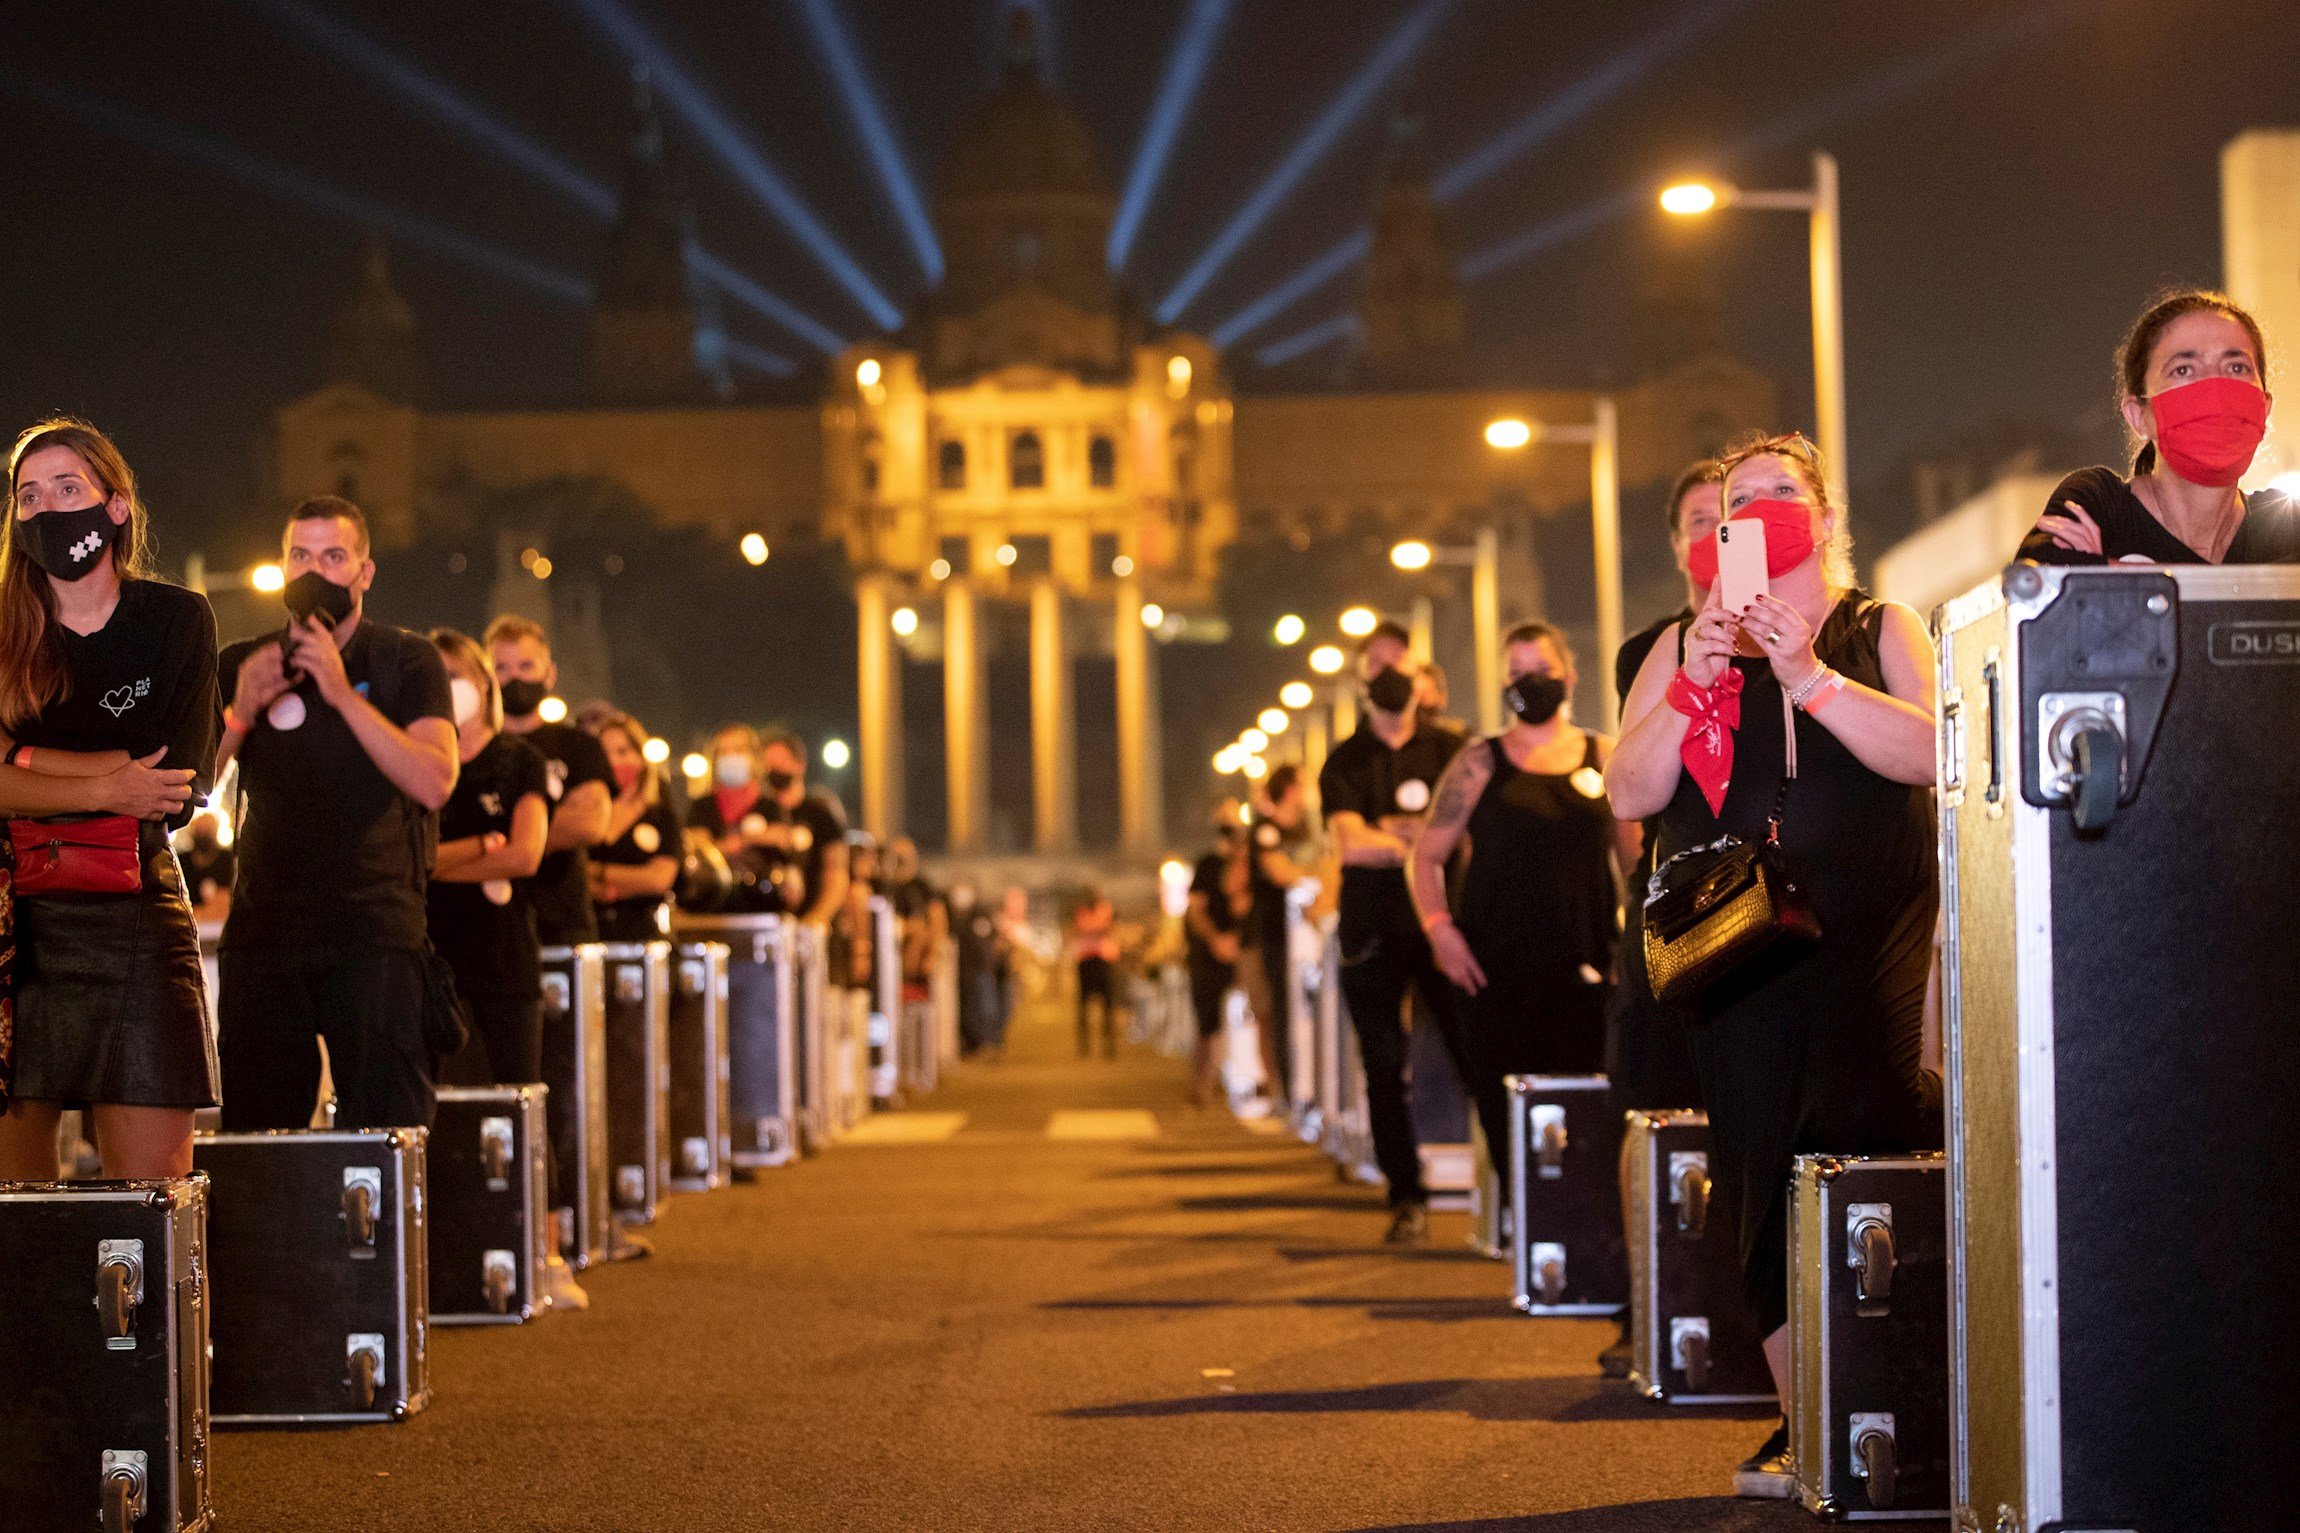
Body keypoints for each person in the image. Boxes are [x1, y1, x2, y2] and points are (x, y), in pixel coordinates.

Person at [1607, 432, 1940, 1498]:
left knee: (1879, 1126)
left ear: (1826, 516)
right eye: (1736, 498)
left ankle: (1900, 1401)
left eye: (1779, 493)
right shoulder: (1678, 641)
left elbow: (1936, 751)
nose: (1754, 510)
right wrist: (1697, 676)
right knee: (1757, 1174)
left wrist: (1805, 676)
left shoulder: (1873, 626)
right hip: (1740, 949)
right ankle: (1808, 1425)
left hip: (1872, 929)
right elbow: (1628, 790)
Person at [0, 420, 214, 1182]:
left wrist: (21, 759)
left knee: (154, 1209)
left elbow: (176, 785)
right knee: (15, 1216)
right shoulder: (2, 630)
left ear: (115, 506)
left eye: (68, 487)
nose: (48, 508)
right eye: (29, 495)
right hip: (12, 924)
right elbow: (133, 781)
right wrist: (104, 785)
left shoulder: (177, 618)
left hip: (136, 910)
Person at [214, 495, 458, 1132]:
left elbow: (434, 781)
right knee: (258, 1139)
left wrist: (343, 695)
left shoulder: (406, 661)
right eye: (300, 555)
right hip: (266, 934)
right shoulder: (244, 662)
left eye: (333, 556)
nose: (314, 572)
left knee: (385, 1134)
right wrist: (240, 712)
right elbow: (187, 792)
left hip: (374, 930)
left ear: (364, 572)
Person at [1411, 622, 1639, 1187]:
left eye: (1540, 672)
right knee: (1507, 1121)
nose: (1529, 684)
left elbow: (1637, 869)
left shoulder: (1604, 758)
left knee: (1588, 1123)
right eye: (1517, 675)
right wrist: (1440, 931)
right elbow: (1425, 858)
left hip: (1586, 972)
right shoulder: (1478, 763)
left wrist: (1631, 950)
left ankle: (1582, 1249)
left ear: (1569, 677)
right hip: (1493, 975)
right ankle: (1525, 1246)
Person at [1596, 460, 1722, 1377]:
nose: (1716, 533)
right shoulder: (1650, 650)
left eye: (1735, 515)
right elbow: (1635, 791)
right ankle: (1646, 1308)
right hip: (1677, 910)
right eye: (1699, 519)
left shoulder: (1824, 636)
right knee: (1650, 1110)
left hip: (1784, 917)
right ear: (1676, 541)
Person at [1315, 619, 1470, 1244]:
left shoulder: (1453, 750)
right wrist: (1425, 840)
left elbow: (1465, 830)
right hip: (1373, 931)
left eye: (1399, 667)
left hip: (1447, 928)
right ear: (1361, 680)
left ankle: (1511, 1191)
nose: (1390, 679)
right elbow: (1352, 845)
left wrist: (1397, 835)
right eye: (1376, 668)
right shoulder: (1345, 760)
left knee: (1474, 1053)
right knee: (1383, 1064)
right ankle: (1406, 1195)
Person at [2024, 288, 2295, 565]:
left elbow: (2074, 584)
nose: (2214, 387)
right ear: (2138, 415)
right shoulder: (2101, 505)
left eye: (2236, 368)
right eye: (2184, 370)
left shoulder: (2285, 524)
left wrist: (2105, 578)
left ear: (2265, 407)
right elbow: (2040, 576)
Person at [424, 629, 548, 1086]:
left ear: (483, 684)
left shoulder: (519, 760)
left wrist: (435, 865)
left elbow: (524, 856)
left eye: (455, 676)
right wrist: (479, 847)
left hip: (504, 964)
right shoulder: (414, 765)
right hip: (433, 963)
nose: (445, 687)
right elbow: (407, 863)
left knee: (512, 1097)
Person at [485, 616, 612, 947]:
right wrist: (552, 821)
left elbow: (590, 824)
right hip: (487, 929)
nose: (515, 677)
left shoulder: (579, 745)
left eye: (526, 666)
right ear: (486, 676)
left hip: (563, 924)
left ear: (549, 673)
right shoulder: (470, 749)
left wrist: (492, 837)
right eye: (502, 668)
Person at [1239, 766, 1314, 1108]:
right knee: (1280, 1011)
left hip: (1307, 936)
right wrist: (1315, 876)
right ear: (1290, 790)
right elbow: (1279, 873)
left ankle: (1307, 1084)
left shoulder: (1304, 829)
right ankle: (1284, 1086)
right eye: (1304, 783)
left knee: (1307, 1012)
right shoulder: (1266, 830)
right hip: (1274, 935)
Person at [585, 707, 682, 942]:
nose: (613, 761)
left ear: (640, 757)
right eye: (605, 753)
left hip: (643, 935)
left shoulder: (660, 815)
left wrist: (598, 872)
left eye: (622, 751)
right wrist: (632, 879)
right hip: (592, 933)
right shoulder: (586, 812)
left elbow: (659, 879)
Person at [685, 723, 800, 912]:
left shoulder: (770, 806)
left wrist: (738, 842)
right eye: (723, 752)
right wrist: (754, 839)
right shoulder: (702, 806)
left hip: (762, 905)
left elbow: (782, 838)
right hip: (714, 907)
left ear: (755, 758)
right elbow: (699, 849)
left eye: (738, 750)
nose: (731, 757)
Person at [1184, 806, 1248, 1106]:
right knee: (1206, 1021)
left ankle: (1241, 1077)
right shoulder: (1207, 865)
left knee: (1247, 1015)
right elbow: (1195, 911)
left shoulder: (1247, 865)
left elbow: (1243, 906)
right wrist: (1216, 939)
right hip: (1207, 954)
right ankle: (1202, 1082)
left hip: (1240, 949)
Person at [1070, 886, 1120, 1060]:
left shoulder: (1106, 910)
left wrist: (1095, 928)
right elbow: (1084, 929)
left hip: (1103, 960)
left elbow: (1106, 928)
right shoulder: (1082, 912)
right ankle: (1084, 1045)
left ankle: (1109, 1044)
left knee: (1108, 1005)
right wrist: (1097, 928)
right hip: (1086, 961)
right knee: (1083, 1006)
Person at [178, 809, 236, 920]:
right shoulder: (181, 862)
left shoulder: (227, 860)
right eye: (200, 829)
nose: (203, 834)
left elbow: (226, 900)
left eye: (207, 830)